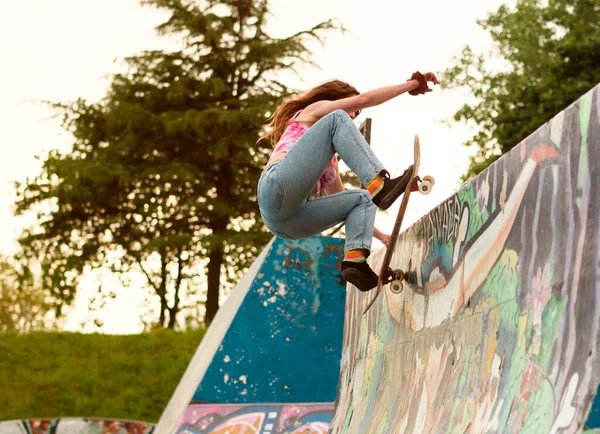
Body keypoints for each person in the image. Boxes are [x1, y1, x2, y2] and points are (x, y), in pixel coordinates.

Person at [257, 71, 439, 291]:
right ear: (338, 99)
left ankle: (355, 261)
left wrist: (382, 236)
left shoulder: (327, 162)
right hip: (273, 185)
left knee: (362, 198)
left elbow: (343, 203)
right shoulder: (311, 112)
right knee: (336, 119)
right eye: (354, 110)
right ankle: (380, 184)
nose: (354, 117)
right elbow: (366, 99)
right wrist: (412, 84)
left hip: (288, 225)